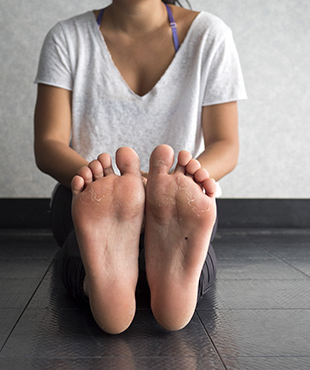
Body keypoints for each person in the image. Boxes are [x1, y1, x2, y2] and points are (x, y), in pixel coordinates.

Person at [34, 0, 247, 335]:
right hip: (90, 192)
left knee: (181, 239)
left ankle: (100, 284)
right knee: (91, 231)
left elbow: (226, 146)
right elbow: (48, 146)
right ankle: (130, 277)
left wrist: (186, 178)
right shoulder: (67, 37)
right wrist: (95, 178)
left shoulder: (210, 35)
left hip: (177, 199)